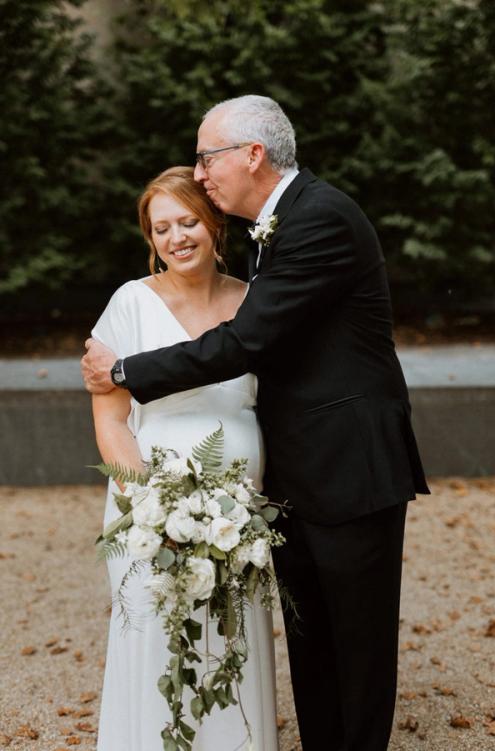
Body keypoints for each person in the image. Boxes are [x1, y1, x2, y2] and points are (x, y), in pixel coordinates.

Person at [82, 95, 430, 751]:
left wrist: (127, 371)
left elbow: (246, 340)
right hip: (294, 484)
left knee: (356, 652)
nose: (201, 172)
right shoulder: (274, 228)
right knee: (314, 645)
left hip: (351, 469)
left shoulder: (320, 218)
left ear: (252, 155)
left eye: (206, 157)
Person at [90, 166, 278, 751]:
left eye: (188, 221)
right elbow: (111, 420)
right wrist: (150, 508)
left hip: (239, 518)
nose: (177, 237)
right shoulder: (130, 303)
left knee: (233, 645)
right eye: (162, 227)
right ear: (151, 239)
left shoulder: (254, 302)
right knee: (153, 644)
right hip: (149, 514)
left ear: (214, 223)